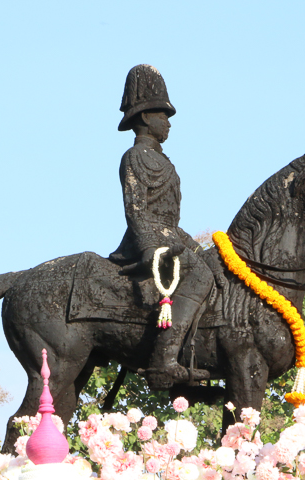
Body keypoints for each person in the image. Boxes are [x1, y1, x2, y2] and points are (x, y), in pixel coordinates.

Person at [109, 64, 214, 390]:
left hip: (170, 237)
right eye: (162, 115)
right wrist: (151, 247)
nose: (168, 123)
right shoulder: (134, 156)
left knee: (212, 264)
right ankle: (164, 360)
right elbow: (136, 212)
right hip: (146, 241)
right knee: (200, 275)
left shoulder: (164, 161)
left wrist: (197, 247)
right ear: (144, 117)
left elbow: (171, 221)